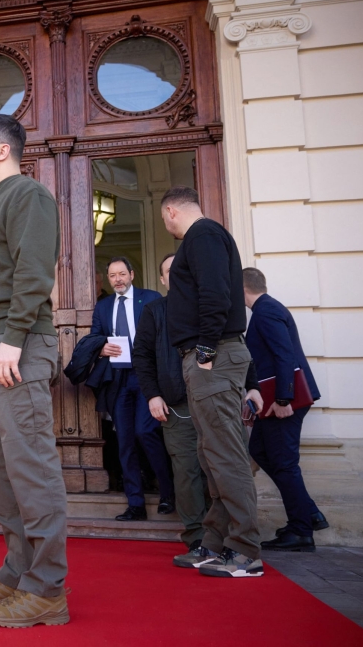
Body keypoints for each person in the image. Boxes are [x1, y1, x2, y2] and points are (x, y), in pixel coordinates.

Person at [0, 114, 68, 628]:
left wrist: (12, 339)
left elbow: (33, 274)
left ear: (1, 151)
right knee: (1, 470)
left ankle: (47, 589)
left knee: (31, 467)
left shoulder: (28, 195)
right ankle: (17, 571)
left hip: (16, 344)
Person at [160, 185, 265, 578]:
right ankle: (215, 542)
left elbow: (216, 295)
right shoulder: (206, 235)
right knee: (212, 454)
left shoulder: (201, 234)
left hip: (213, 356)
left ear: (171, 211)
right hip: (211, 357)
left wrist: (204, 351)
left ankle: (245, 550)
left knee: (225, 455)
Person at [243, 267, 328, 552]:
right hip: (275, 401)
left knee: (285, 463)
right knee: (260, 450)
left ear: (242, 288)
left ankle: (302, 531)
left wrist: (283, 401)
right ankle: (308, 513)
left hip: (284, 402)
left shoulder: (265, 311)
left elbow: (284, 355)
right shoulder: (267, 309)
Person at [133, 253, 208, 554]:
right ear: (162, 279)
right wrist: (152, 394)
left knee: (218, 469)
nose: (175, 275)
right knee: (187, 470)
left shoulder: (208, 307)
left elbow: (234, 344)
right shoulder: (154, 311)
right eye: (169, 271)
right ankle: (198, 539)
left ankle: (224, 534)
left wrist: (251, 387)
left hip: (213, 402)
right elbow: (142, 356)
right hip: (176, 406)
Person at [92, 256, 174, 520]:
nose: (117, 279)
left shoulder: (150, 298)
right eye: (112, 276)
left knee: (146, 432)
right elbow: (95, 336)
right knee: (124, 440)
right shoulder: (103, 306)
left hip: (146, 377)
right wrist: (100, 347)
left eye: (122, 274)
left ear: (132, 274)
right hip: (117, 378)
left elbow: (164, 336)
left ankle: (168, 494)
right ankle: (135, 503)